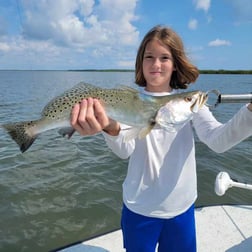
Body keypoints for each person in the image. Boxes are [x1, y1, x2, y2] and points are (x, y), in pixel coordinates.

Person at [71, 25, 252, 252]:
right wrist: (108, 126)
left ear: (175, 63)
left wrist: (250, 112)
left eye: (164, 57)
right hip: (139, 209)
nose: (156, 64)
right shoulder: (129, 101)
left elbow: (218, 140)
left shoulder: (191, 101)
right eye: (149, 57)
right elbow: (124, 150)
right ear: (140, 62)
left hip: (182, 208)